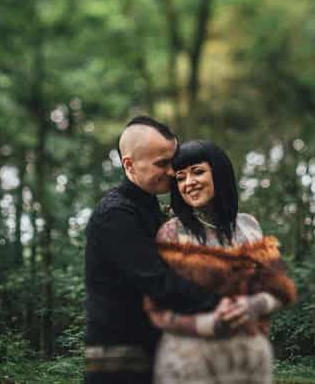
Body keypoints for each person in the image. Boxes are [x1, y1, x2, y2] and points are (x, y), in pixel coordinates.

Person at [84, 117, 248, 383]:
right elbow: (157, 281)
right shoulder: (116, 215)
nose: (172, 172)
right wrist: (222, 303)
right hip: (121, 361)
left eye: (172, 162)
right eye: (162, 164)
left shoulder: (152, 210)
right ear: (129, 164)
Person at [144, 140, 298, 384]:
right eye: (181, 178)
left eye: (198, 172)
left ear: (219, 172)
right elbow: (156, 309)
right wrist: (207, 324)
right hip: (190, 364)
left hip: (247, 362)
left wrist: (252, 306)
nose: (189, 183)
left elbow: (280, 289)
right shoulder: (171, 234)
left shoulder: (248, 226)